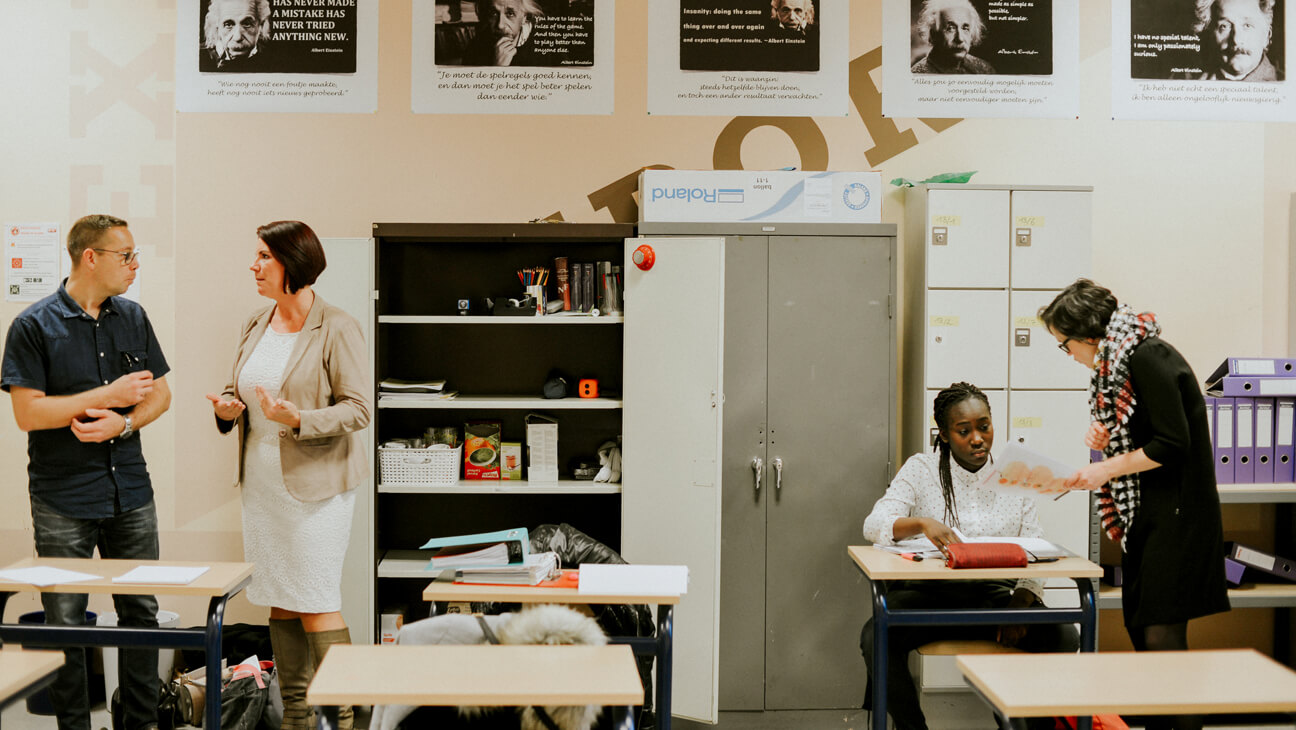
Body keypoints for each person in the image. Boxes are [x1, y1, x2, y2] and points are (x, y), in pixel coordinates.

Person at [1, 214, 169, 730]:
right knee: (65, 624)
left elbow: (161, 394)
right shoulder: (32, 325)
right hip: (62, 501)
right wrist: (107, 396)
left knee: (141, 616)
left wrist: (122, 423)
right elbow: (28, 413)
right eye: (126, 256)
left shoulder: (134, 317)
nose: (135, 265)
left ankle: (136, 724)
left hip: (131, 494)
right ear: (90, 257)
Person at [1040, 279, 1229, 730]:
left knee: (1163, 645)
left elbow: (1172, 443)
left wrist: (1107, 468)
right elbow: (1145, 429)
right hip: (1147, 516)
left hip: (1177, 517)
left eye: (1065, 346)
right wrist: (1106, 440)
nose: (1069, 356)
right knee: (1145, 639)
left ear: (1088, 336)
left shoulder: (1146, 356)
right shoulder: (1117, 366)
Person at [206, 221, 370, 730]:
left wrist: (297, 419)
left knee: (316, 598)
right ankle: (296, 718)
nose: (253, 266)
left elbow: (358, 410)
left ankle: (342, 717)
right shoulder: (255, 323)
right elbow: (245, 391)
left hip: (316, 490)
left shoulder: (337, 326)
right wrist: (229, 409)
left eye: (263, 257)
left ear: (292, 266)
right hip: (263, 488)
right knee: (281, 599)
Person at [859, 382, 1077, 730]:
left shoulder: (1013, 473)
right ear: (944, 434)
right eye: (964, 431)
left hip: (994, 599)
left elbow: (1035, 543)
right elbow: (874, 525)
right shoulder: (922, 470)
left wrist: (1021, 601)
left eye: (984, 426)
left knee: (1065, 636)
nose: (978, 438)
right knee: (875, 636)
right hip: (929, 598)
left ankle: (1023, 720)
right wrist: (921, 523)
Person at [1187, 0, 1284, 80]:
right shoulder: (1185, 81)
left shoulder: (1286, 85)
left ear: (1266, 36)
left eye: (1247, 26)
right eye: (1224, 26)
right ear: (1210, 33)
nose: (1236, 40)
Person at [910, 0, 996, 74]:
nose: (960, 39)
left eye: (965, 28)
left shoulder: (984, 69)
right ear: (933, 35)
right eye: (950, 28)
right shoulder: (918, 74)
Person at [463, 0, 545, 66]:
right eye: (494, 13)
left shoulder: (544, 45)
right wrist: (497, 69)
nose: (500, 25)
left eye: (510, 14)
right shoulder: (474, 48)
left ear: (525, 17)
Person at [202, 0, 272, 71]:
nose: (237, 37)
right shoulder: (199, 58)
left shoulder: (273, 60)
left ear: (261, 26)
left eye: (247, 24)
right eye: (228, 25)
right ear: (216, 26)